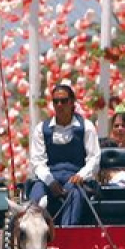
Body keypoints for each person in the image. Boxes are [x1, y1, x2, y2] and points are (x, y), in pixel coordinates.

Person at [28, 83, 101, 226]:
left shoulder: (86, 127)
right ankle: (35, 236)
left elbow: (94, 158)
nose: (59, 105)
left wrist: (81, 176)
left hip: (75, 178)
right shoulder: (41, 129)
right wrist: (50, 182)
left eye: (64, 101)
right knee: (36, 197)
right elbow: (37, 162)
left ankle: (67, 234)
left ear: (72, 102)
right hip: (49, 178)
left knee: (74, 195)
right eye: (56, 101)